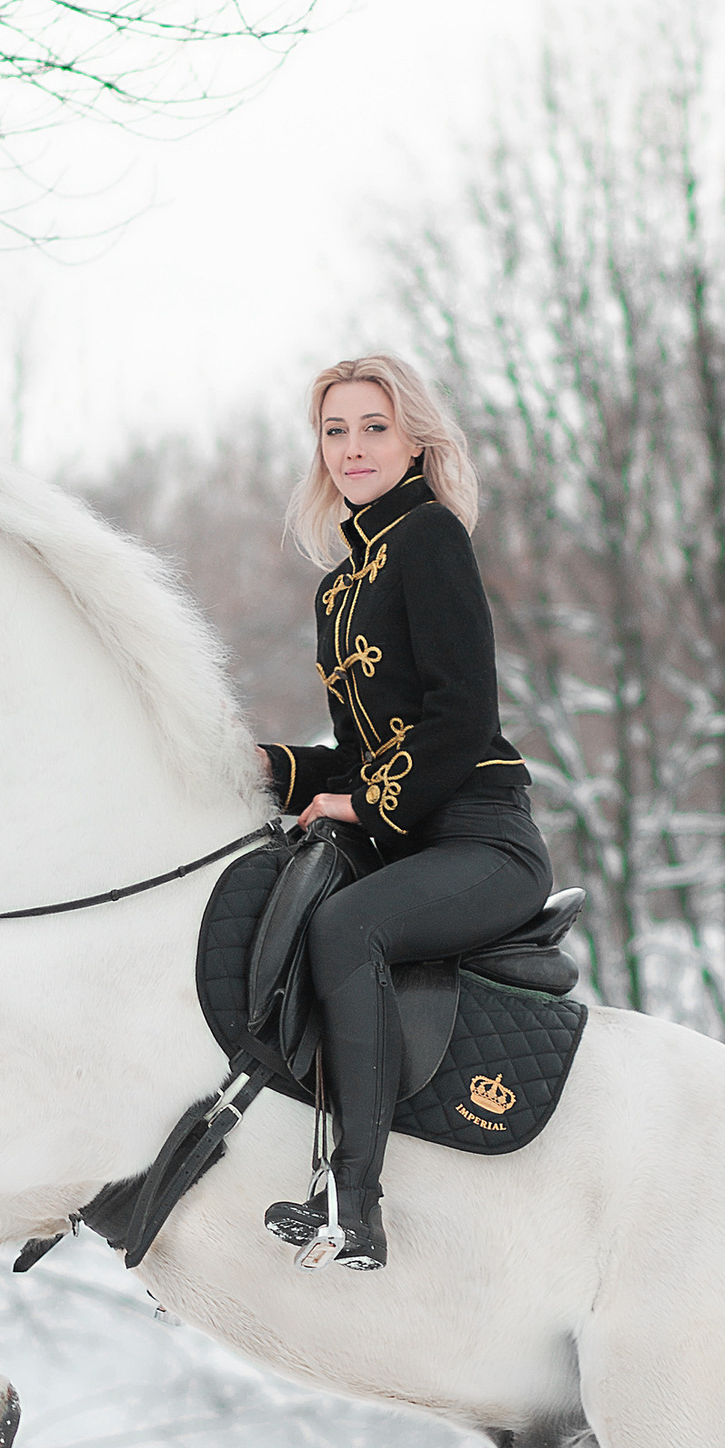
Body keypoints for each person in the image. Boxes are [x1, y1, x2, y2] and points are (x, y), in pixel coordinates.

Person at [253, 352, 553, 1272]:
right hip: (411, 838)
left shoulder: (430, 537)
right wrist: (265, 768)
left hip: (482, 837)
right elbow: (355, 749)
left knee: (347, 928)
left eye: (373, 427)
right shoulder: (338, 587)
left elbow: (461, 716)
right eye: (335, 430)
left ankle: (360, 1206)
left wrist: (366, 806)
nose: (352, 448)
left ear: (414, 436)